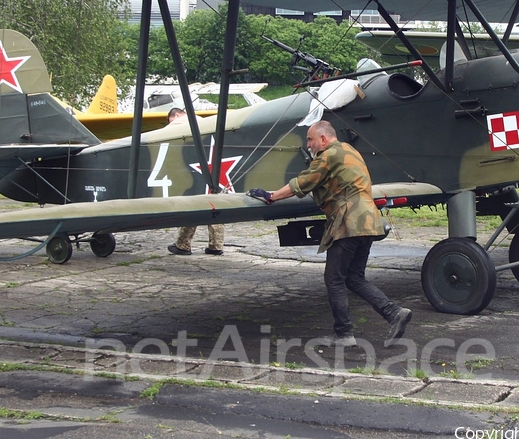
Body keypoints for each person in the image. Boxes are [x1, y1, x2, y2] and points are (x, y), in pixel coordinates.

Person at [247, 120, 412, 348]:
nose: (308, 144)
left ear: (323, 139)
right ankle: (394, 313)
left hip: (348, 222)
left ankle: (344, 334)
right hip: (368, 221)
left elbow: (303, 182)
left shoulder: (329, 155)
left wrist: (271, 196)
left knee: (334, 279)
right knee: (354, 277)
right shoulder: (350, 150)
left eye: (310, 140)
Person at [166, 108, 225, 256]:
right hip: (215, 167)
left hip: (196, 168)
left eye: (172, 119)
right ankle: (216, 246)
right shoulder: (203, 121)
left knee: (192, 204)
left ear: (177, 115)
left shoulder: (180, 122)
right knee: (214, 205)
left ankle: (183, 244)